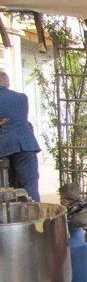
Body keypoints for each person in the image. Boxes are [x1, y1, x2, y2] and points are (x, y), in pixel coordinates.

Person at [0, 70, 40, 201]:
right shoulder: (22, 98)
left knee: (5, 190)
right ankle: (35, 218)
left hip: (3, 148)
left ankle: (10, 219)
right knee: (30, 188)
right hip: (25, 145)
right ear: (7, 83)